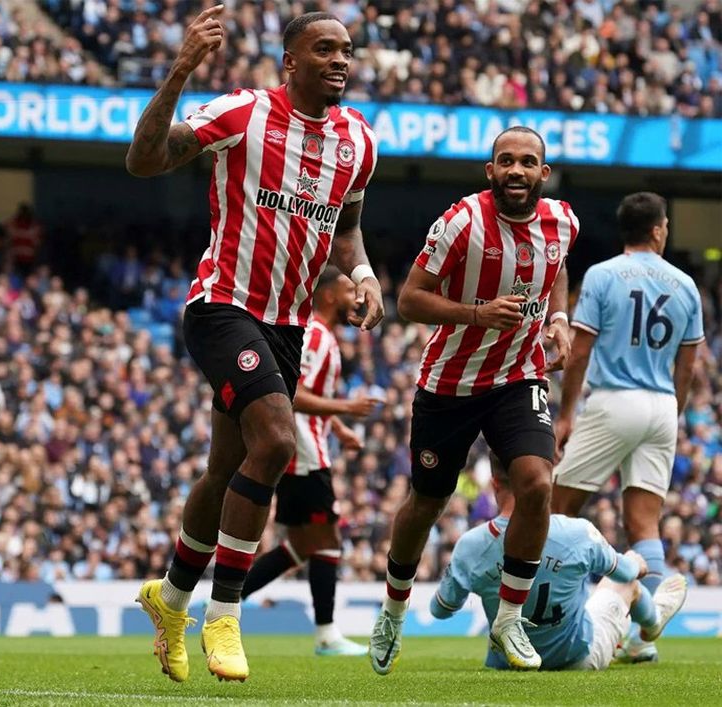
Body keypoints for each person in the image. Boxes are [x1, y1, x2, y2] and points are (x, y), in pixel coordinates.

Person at [126, 7, 383, 683]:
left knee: (224, 471)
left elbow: (347, 226)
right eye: (324, 49)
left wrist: (362, 273)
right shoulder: (243, 113)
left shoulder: (359, 141)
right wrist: (181, 70)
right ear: (290, 62)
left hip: (287, 325)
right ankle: (224, 614)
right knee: (274, 440)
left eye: (346, 50)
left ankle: (170, 599)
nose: (340, 60)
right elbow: (144, 160)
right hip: (223, 306)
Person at [369, 126, 578, 674]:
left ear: (543, 173)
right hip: (450, 384)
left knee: (537, 484)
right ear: (491, 171)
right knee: (427, 502)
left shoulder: (563, 220)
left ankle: (508, 618)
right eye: (506, 161)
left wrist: (558, 318)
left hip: (519, 377)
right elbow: (409, 300)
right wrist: (477, 314)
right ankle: (393, 609)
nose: (516, 171)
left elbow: (556, 267)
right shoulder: (462, 221)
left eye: (527, 162)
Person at [550, 192, 703, 663]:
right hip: (661, 405)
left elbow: (580, 352)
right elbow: (688, 366)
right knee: (643, 523)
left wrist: (567, 413)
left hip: (615, 398)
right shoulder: (686, 285)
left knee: (557, 509)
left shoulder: (602, 275)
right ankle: (642, 638)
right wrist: (673, 412)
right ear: (658, 229)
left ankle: (558, 618)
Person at [239, 267, 378, 657]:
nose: (357, 298)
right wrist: (345, 408)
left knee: (302, 546)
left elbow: (309, 393)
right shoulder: (315, 336)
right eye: (350, 290)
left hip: (308, 447)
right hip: (304, 452)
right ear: (330, 295)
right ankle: (327, 636)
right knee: (327, 540)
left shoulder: (323, 336)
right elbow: (290, 394)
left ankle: (225, 596)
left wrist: (338, 427)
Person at [430, 463, 687, 671]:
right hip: (577, 658)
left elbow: (441, 610)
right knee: (626, 581)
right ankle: (651, 624)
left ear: (495, 483)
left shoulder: (471, 545)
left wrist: (463, 577)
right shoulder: (577, 532)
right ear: (545, 479)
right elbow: (627, 573)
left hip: (506, 663)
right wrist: (635, 562)